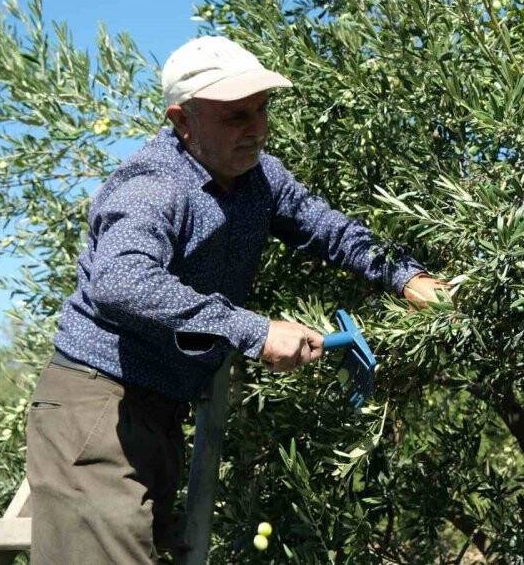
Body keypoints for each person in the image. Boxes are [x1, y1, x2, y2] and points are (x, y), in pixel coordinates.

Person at [24, 35, 448, 563]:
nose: (257, 129)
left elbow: (330, 230)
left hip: (154, 412)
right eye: (234, 117)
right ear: (183, 120)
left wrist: (407, 278)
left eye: (261, 110)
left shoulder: (261, 180)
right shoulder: (156, 184)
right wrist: (256, 329)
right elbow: (120, 280)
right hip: (96, 407)